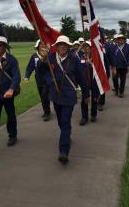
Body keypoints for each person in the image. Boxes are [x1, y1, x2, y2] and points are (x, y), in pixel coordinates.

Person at [38, 35, 90, 164]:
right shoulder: (50, 58)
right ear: (56, 46)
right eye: (60, 44)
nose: (62, 46)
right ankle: (66, 137)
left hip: (69, 96)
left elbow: (82, 77)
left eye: (64, 44)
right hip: (55, 96)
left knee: (65, 121)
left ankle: (64, 151)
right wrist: (43, 60)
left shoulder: (74, 59)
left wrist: (86, 94)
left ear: (68, 46)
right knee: (61, 121)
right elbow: (40, 71)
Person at [25, 39, 51, 121]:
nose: (42, 46)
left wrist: (46, 57)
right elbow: (30, 67)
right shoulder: (34, 56)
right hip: (38, 79)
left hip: (47, 79)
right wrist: (27, 76)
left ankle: (47, 113)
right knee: (42, 96)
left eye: (44, 45)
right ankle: (47, 110)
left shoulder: (49, 55)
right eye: (40, 45)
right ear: (38, 46)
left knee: (44, 95)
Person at [79, 41, 99, 125]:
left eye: (87, 47)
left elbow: (99, 68)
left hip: (94, 80)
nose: (86, 49)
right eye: (84, 47)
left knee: (94, 98)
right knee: (84, 99)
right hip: (85, 81)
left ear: (91, 48)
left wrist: (91, 63)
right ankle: (84, 117)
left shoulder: (95, 56)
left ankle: (93, 114)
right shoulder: (81, 57)